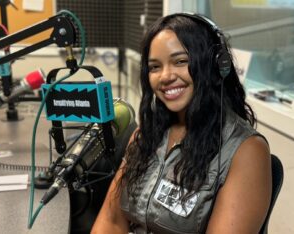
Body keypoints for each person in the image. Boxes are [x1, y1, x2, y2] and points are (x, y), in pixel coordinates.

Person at [91, 12, 272, 233]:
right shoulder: (146, 134)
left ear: (214, 65)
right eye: (155, 67)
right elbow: (111, 221)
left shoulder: (246, 151)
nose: (165, 76)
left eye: (180, 61)